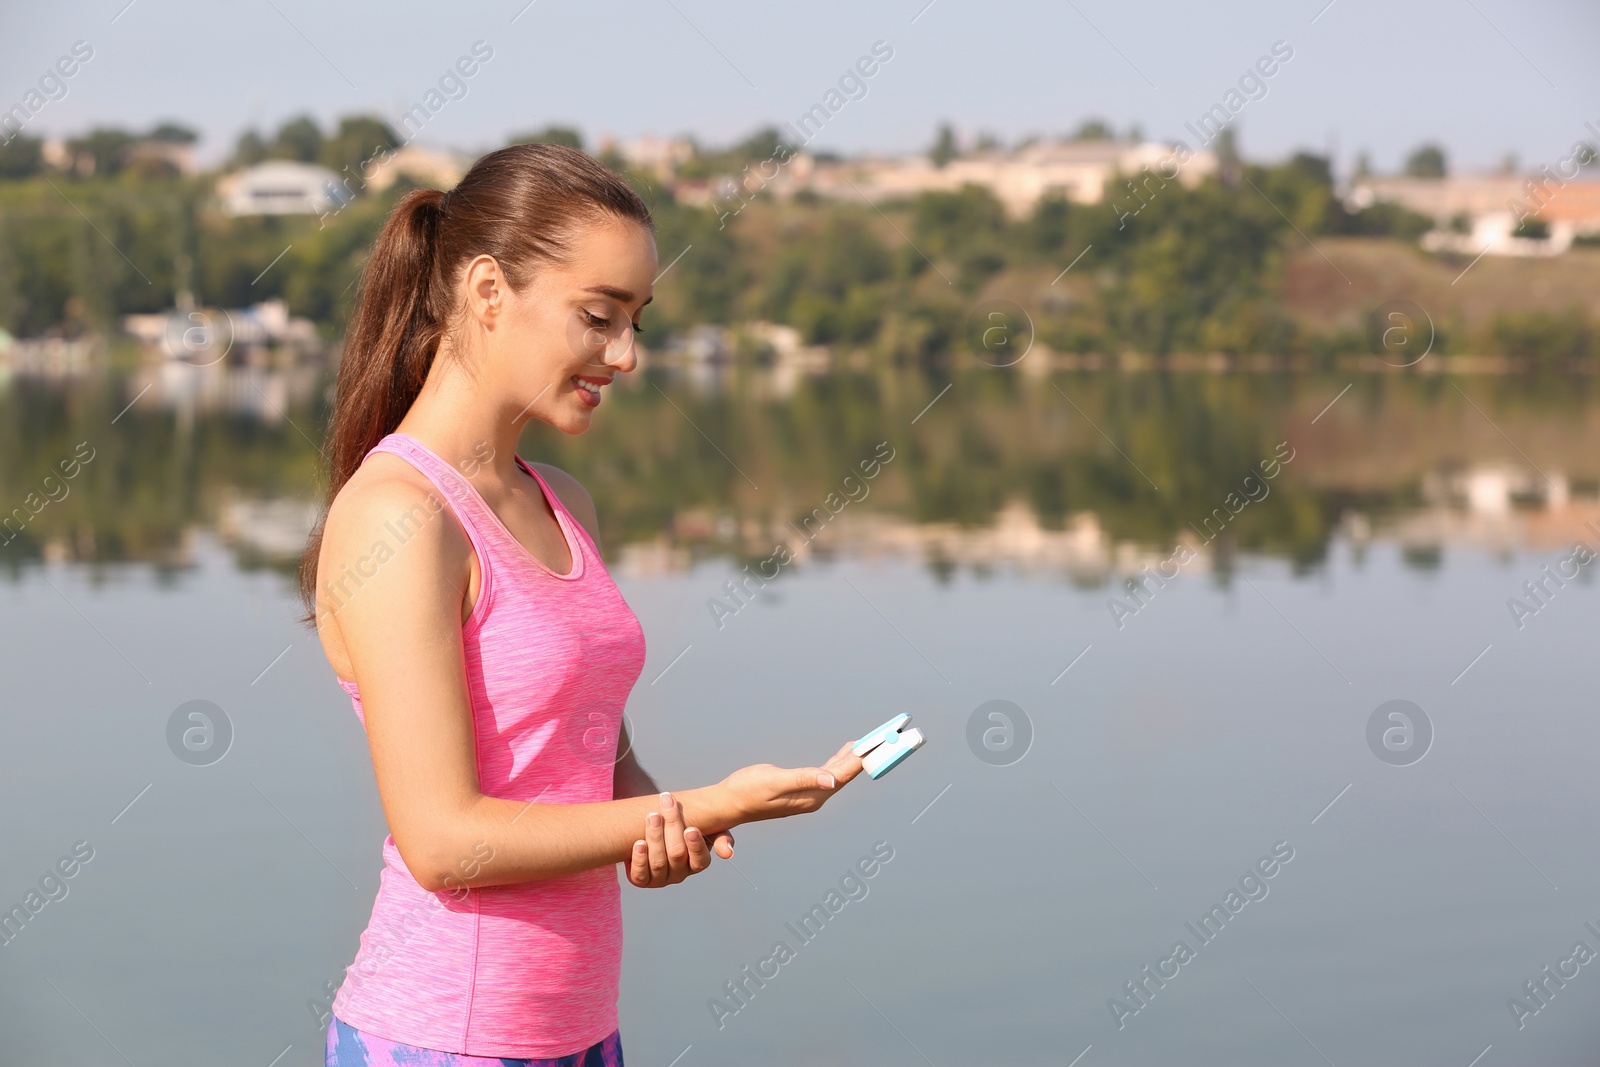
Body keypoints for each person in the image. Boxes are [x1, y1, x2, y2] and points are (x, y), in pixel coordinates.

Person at [298, 143, 865, 1067]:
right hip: (447, 1036)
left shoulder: (562, 501)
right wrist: (696, 802)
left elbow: (596, 762)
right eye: (598, 317)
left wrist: (671, 820)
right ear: (488, 290)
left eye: (636, 321)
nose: (626, 355)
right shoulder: (398, 517)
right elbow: (442, 839)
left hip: (578, 1029)